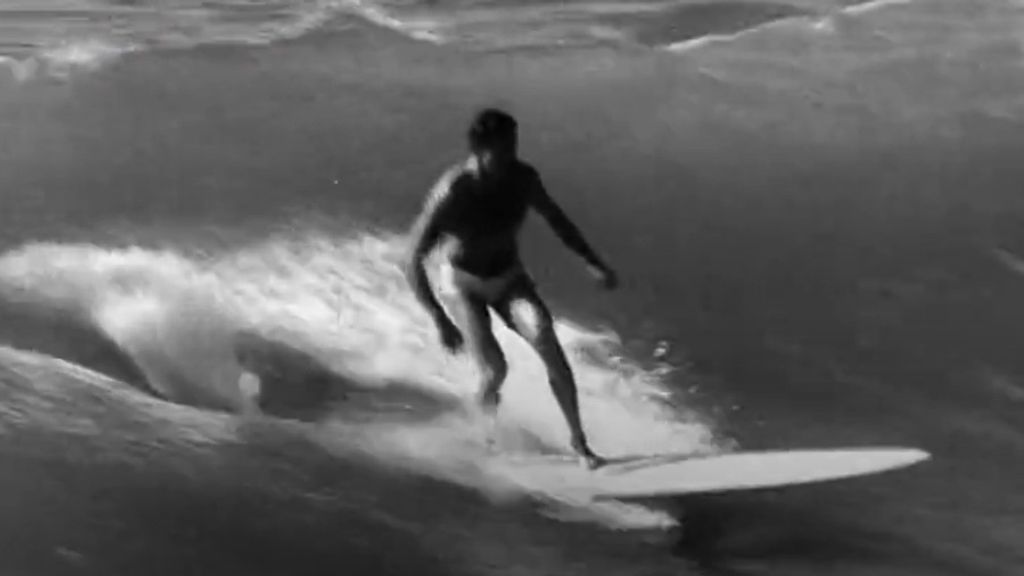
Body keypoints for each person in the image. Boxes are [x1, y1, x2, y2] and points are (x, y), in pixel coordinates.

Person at [404, 108, 619, 469]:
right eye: (502, 149)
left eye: (513, 146)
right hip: (463, 285)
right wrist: (439, 319)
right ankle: (483, 441)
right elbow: (412, 258)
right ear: (480, 150)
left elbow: (557, 220)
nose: (511, 156)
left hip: (508, 278)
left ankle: (581, 445)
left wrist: (592, 261)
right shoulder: (453, 191)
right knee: (495, 371)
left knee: (546, 337)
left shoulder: (523, 178)